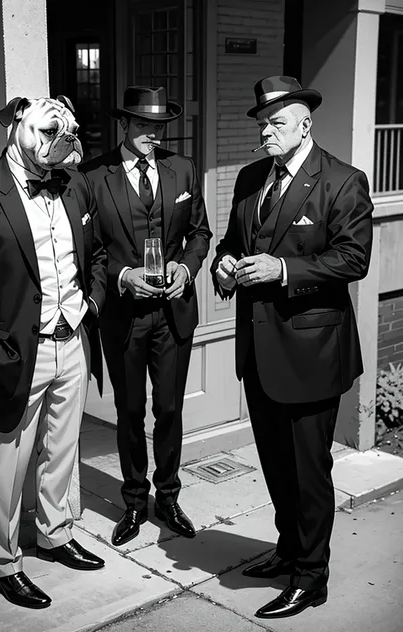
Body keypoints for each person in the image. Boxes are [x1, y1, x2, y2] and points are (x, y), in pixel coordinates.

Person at [0, 96, 107, 609]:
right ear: (16, 125)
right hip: (11, 353)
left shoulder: (75, 183)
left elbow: (93, 253)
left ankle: (56, 534)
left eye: (71, 131)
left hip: (72, 339)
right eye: (50, 130)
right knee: (6, 467)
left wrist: (91, 302)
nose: (65, 139)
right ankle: (4, 563)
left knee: (62, 452)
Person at [211, 76, 373, 619]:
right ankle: (287, 550)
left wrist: (283, 270)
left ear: (306, 124)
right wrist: (223, 267)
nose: (266, 133)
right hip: (257, 350)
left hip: (311, 352)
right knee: (277, 466)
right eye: (262, 124)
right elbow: (232, 243)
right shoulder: (251, 177)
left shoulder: (343, 182)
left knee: (308, 471)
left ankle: (312, 575)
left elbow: (353, 260)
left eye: (276, 123)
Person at [80, 86, 211, 546]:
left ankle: (169, 496)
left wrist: (186, 266)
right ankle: (135, 501)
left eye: (158, 127)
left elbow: (200, 234)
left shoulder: (183, 170)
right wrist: (122, 276)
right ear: (124, 125)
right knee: (129, 410)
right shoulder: (93, 176)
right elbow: (88, 251)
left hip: (173, 312)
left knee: (169, 409)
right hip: (125, 316)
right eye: (142, 126)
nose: (152, 135)